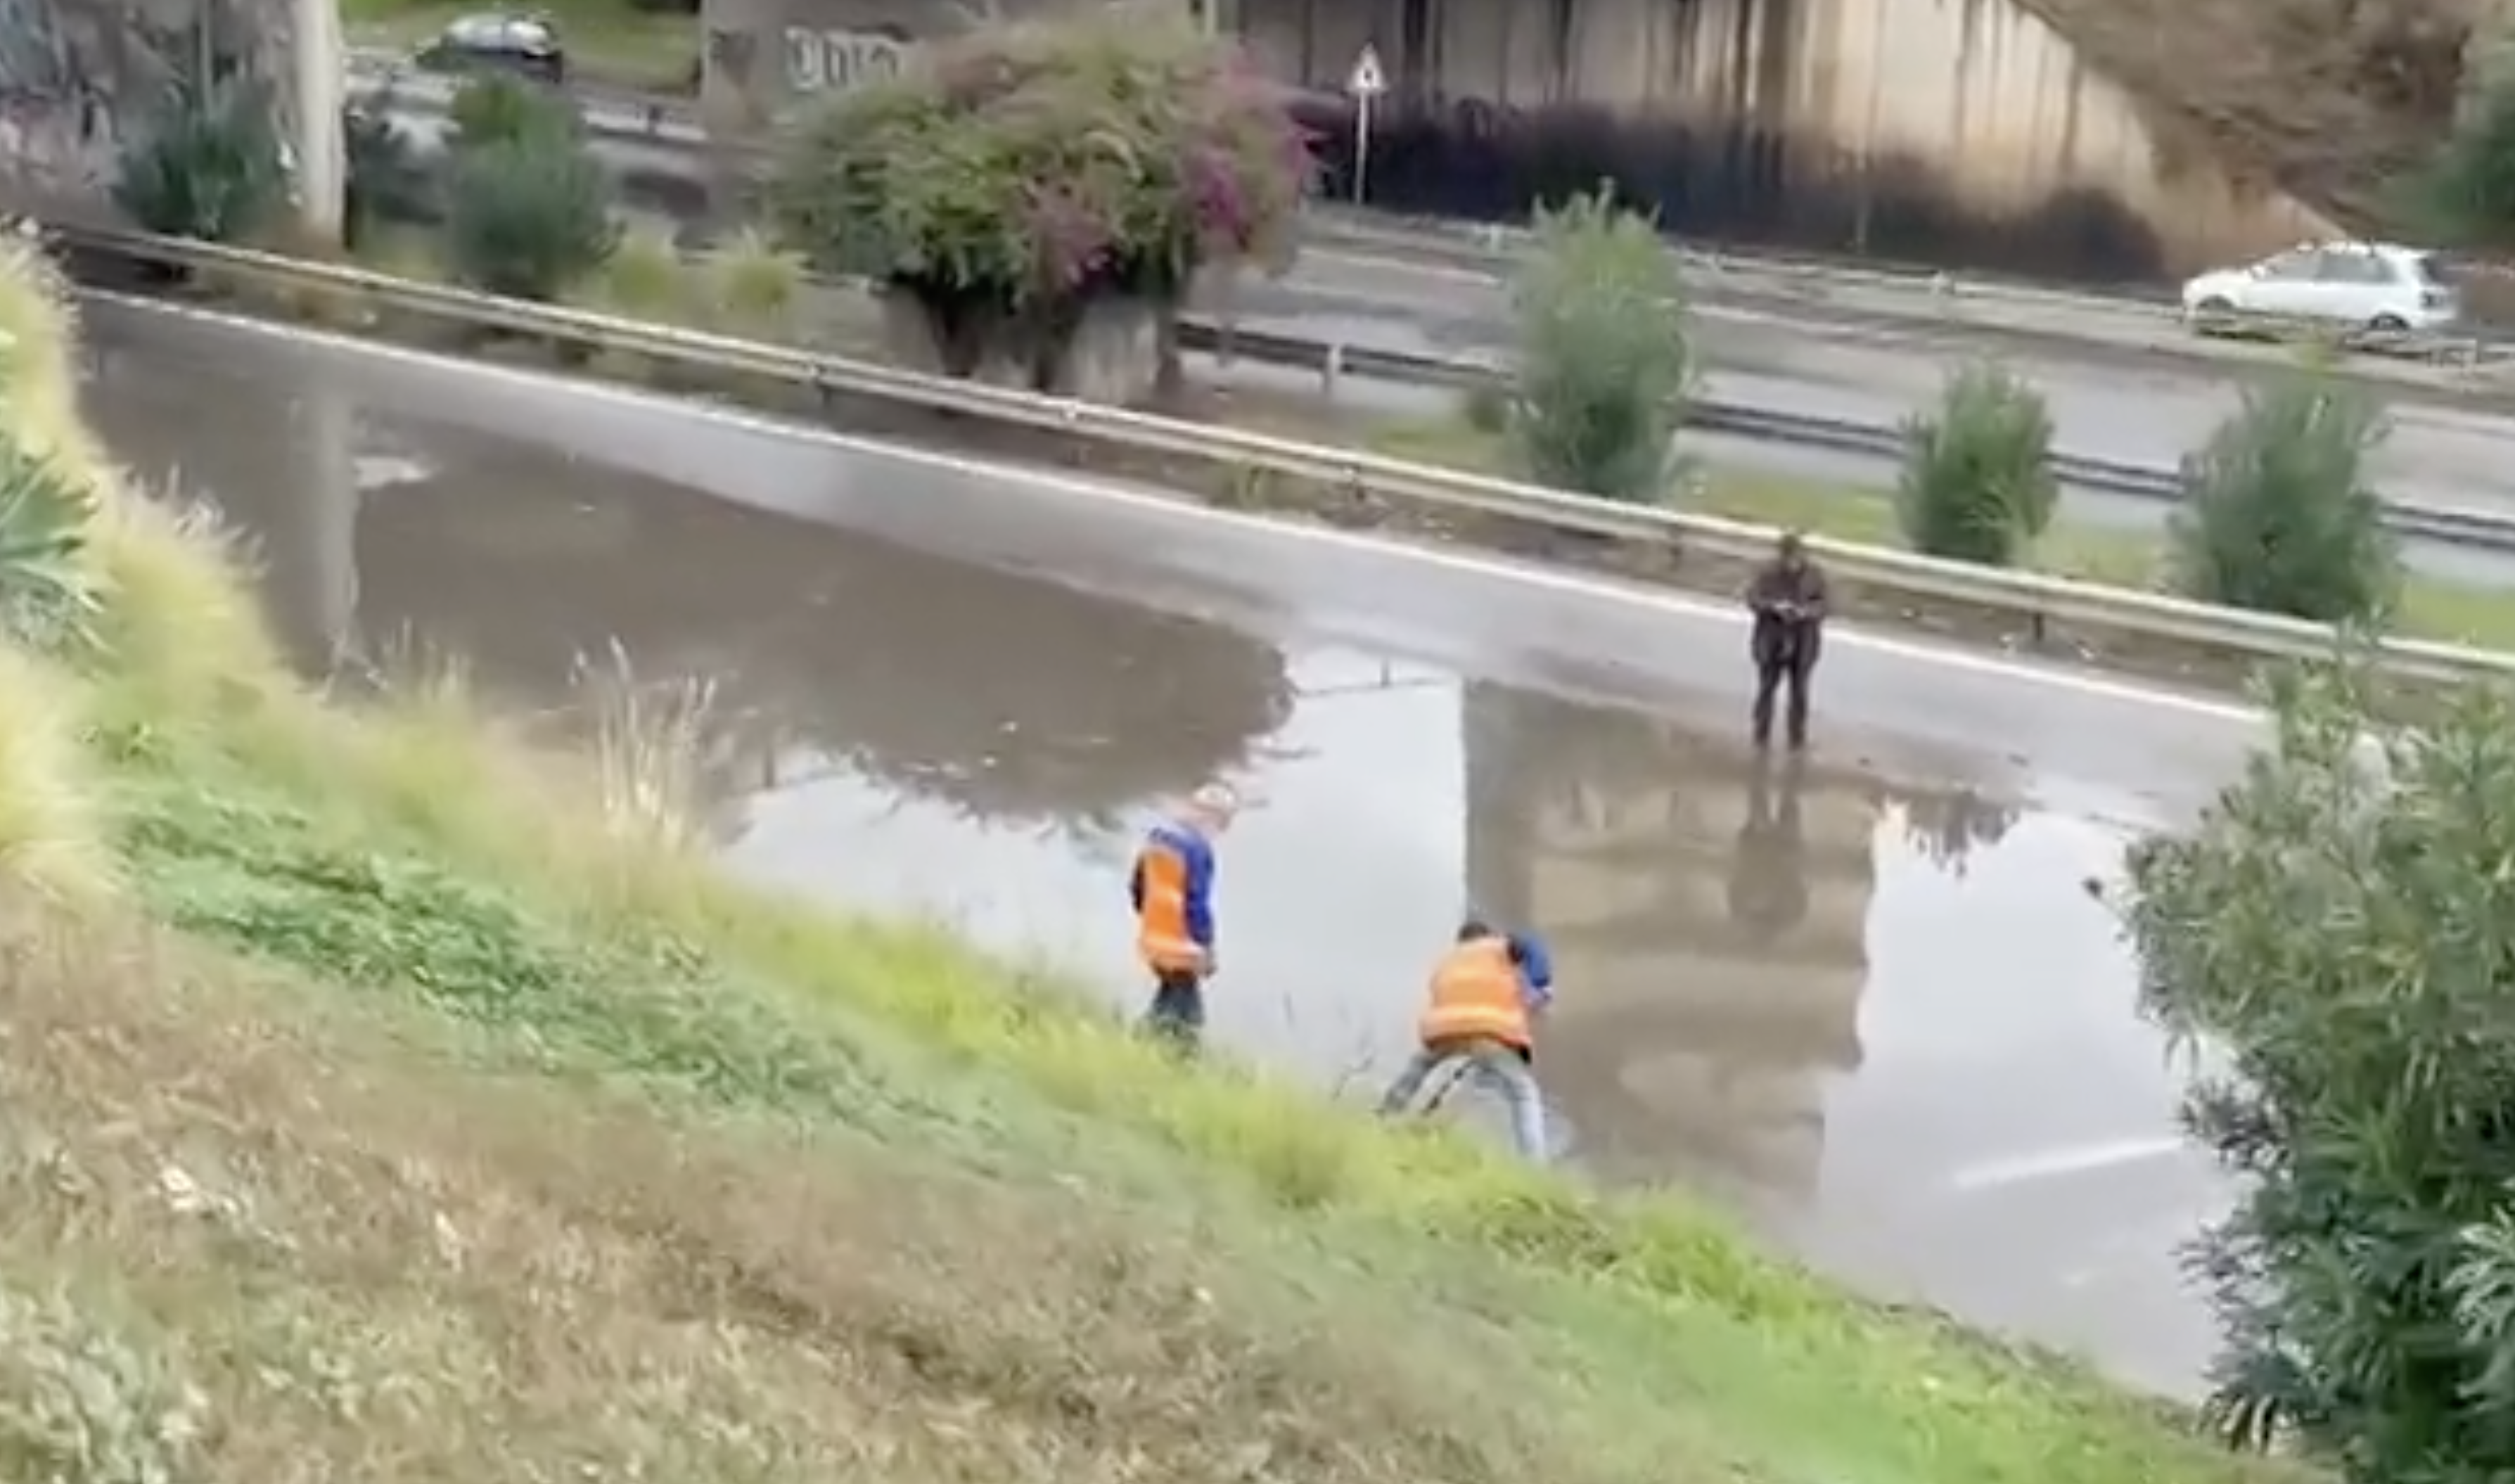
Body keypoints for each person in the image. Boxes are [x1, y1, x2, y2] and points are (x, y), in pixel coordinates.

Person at [1376, 917, 1555, 1163]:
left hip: (1444, 1030)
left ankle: (1381, 1121)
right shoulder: (1500, 947)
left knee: (1415, 1072)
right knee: (1522, 1093)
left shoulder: (1447, 961)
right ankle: (1535, 1166)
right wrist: (1540, 984)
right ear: (1487, 936)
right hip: (1492, 1030)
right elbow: (1533, 946)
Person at [1128, 781, 1239, 1052]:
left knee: (1169, 998)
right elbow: (1197, 906)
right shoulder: (1197, 850)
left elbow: (1137, 886)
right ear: (1214, 818)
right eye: (1221, 824)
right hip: (1183, 947)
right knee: (1188, 1018)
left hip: (1153, 938)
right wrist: (1207, 948)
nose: (1218, 832)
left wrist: (1150, 920)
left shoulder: (1157, 840)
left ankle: (1141, 1045)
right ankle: (1180, 1062)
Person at [1744, 531, 1829, 750]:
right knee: (1767, 688)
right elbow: (1753, 598)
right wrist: (1774, 607)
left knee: (1799, 690)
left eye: (1796, 557)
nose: (1792, 562)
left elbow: (1825, 605)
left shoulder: (1815, 576)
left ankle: (1796, 737)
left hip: (1803, 642)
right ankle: (1760, 733)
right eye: (1788, 557)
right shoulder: (1768, 573)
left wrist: (1805, 613)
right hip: (1772, 639)